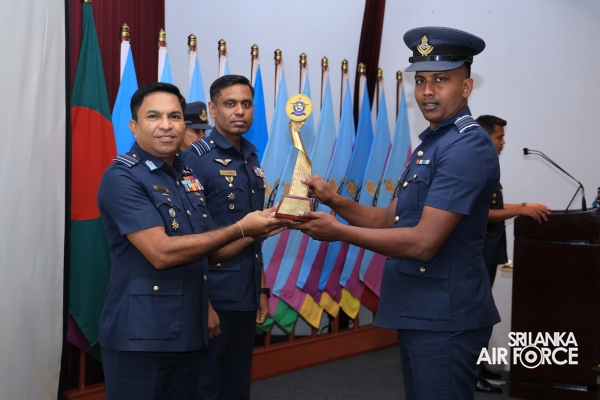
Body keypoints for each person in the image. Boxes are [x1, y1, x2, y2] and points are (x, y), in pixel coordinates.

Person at [291, 27, 500, 399]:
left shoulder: (465, 146)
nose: (427, 91)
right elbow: (389, 220)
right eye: (420, 80)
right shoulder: (432, 144)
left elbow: (423, 243)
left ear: (466, 87)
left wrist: (338, 232)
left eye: (441, 80)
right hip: (422, 309)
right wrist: (333, 200)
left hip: (445, 316)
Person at [97, 82, 290, 400]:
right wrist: (240, 227)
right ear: (134, 126)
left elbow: (212, 250)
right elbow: (160, 252)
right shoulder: (123, 177)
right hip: (143, 334)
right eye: (154, 116)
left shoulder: (183, 175)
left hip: (188, 331)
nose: (166, 125)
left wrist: (261, 227)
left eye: (174, 116)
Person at [181, 74, 268, 400]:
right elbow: (190, 238)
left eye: (246, 104)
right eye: (230, 104)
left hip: (245, 293)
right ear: (214, 109)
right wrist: (203, 305)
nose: (240, 111)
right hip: (213, 294)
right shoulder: (196, 159)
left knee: (237, 384)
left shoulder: (251, 157)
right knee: (205, 386)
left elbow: (255, 235)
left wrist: (261, 289)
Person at [474, 115, 550, 393]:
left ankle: (480, 367)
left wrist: (525, 206)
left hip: (490, 250)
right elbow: (479, 214)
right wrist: (520, 209)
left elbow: (495, 206)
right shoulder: (476, 166)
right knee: (476, 313)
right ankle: (472, 374)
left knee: (482, 312)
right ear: (486, 137)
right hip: (478, 252)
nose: (504, 142)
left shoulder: (487, 164)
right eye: (500, 137)